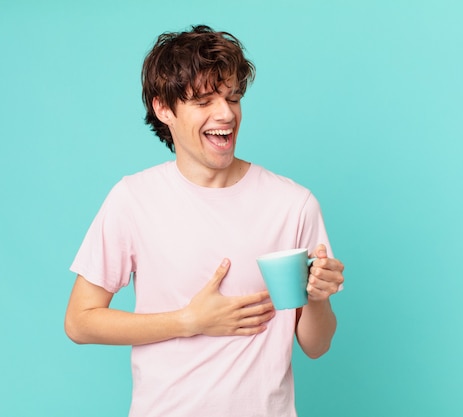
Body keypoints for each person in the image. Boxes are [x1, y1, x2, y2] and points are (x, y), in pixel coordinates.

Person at [65, 24, 345, 417]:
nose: (226, 113)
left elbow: (316, 345)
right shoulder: (134, 199)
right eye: (204, 101)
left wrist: (318, 299)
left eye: (233, 97)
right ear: (164, 108)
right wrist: (188, 321)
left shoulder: (292, 204)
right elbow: (80, 321)